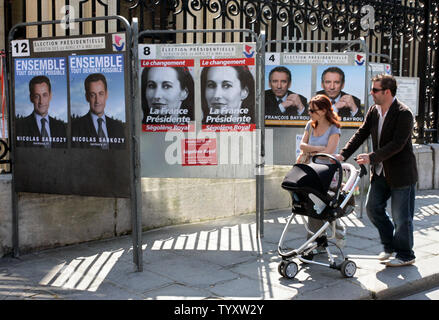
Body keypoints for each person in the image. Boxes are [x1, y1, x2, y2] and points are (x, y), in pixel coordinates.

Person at [335, 74, 418, 267]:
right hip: (380, 172)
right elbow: (361, 133)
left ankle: (406, 254)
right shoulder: (374, 110)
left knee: (402, 217)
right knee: (372, 208)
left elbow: (397, 144)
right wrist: (343, 155)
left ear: (387, 92)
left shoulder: (403, 113)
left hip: (401, 174)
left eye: (375, 90)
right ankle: (390, 246)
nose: (371, 93)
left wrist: (372, 157)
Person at [299, 94, 346, 249]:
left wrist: (314, 151)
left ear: (324, 110)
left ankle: (318, 239)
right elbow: (302, 146)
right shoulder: (310, 125)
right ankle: (319, 239)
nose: (310, 113)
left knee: (321, 205)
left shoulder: (334, 128)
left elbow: (329, 153)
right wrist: (319, 149)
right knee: (315, 205)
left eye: (314, 110)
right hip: (312, 171)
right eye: (309, 110)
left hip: (329, 173)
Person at [71, 73, 126, 149]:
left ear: (106, 95)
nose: (97, 100)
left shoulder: (118, 128)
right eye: (93, 95)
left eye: (101, 94)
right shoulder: (76, 128)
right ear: (87, 97)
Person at [15, 75, 67, 148]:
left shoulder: (61, 127)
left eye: (44, 95)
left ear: (50, 96)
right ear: (31, 98)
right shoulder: (20, 127)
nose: (41, 101)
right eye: (37, 96)